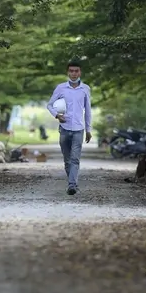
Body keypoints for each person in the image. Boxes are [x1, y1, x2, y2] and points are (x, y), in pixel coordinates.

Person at [46, 60, 92, 195]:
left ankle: (72, 185)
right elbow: (50, 105)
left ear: (80, 72)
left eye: (76, 71)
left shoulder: (85, 89)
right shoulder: (61, 88)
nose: (73, 73)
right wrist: (57, 115)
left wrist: (88, 129)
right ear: (68, 72)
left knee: (75, 159)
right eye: (71, 71)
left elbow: (88, 110)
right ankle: (72, 182)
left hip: (79, 129)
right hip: (64, 128)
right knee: (67, 160)